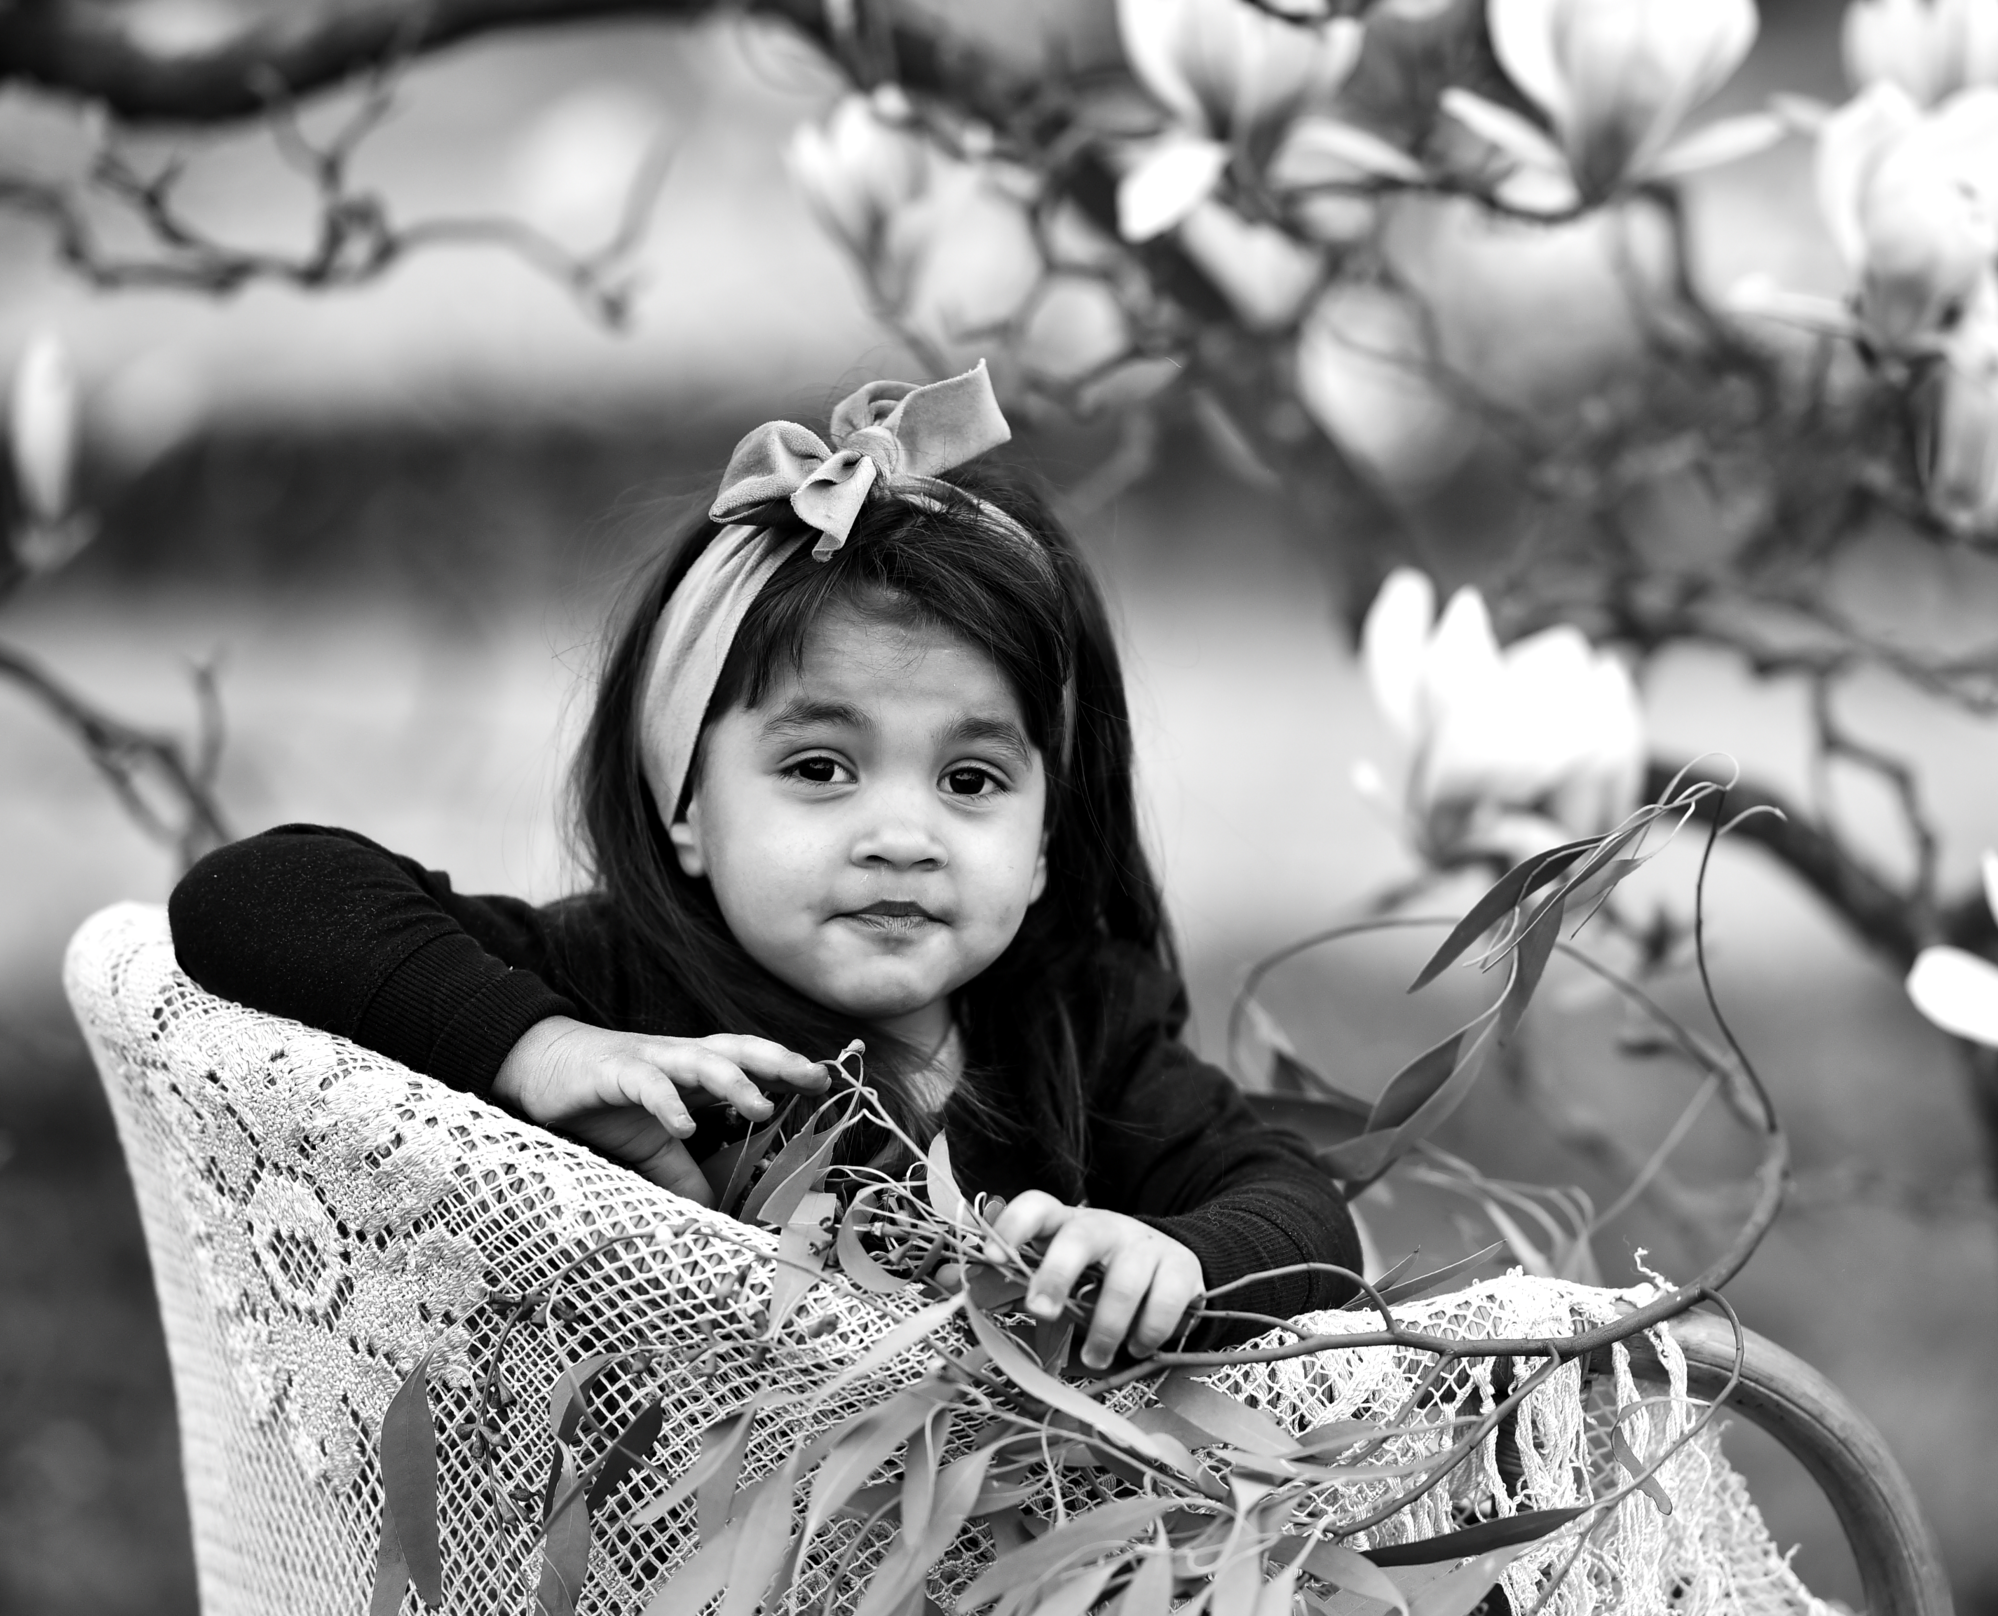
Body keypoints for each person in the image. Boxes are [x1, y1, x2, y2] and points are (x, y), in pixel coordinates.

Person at [169, 363, 1359, 1370]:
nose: (902, 834)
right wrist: (536, 1049)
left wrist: (1184, 1258)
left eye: (972, 782)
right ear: (685, 804)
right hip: (643, 1605)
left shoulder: (1077, 1022)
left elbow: (1302, 1214)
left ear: (1048, 841)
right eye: (821, 770)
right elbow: (253, 898)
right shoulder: (609, 991)